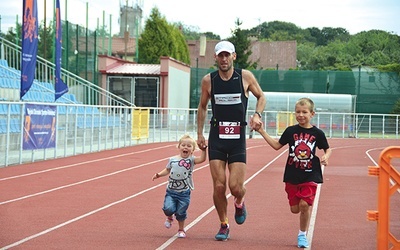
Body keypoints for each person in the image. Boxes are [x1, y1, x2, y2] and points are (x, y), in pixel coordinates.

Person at [196, 40, 266, 241]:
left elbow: (261, 97)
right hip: (217, 136)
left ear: (234, 56)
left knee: (235, 187)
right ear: (215, 58)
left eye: (228, 55)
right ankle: (224, 224)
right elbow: (202, 107)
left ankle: (240, 201)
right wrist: (200, 134)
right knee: (219, 185)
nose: (224, 59)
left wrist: (257, 115)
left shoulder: (244, 77)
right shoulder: (209, 81)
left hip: (237, 138)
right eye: (220, 55)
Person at [254, 97, 332, 248]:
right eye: (298, 112)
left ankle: (302, 235)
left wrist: (326, 156)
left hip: (310, 174)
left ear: (312, 114)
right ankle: (300, 219)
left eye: (304, 112)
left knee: (304, 205)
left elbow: (328, 148)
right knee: (295, 209)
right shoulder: (291, 131)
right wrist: (261, 131)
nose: (301, 115)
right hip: (292, 176)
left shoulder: (317, 133)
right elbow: (277, 146)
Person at [152, 135, 207, 238]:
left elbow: (202, 159)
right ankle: (169, 217)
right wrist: (158, 175)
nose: (185, 147)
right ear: (179, 147)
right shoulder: (172, 159)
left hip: (184, 193)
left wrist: (203, 150)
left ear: (193, 149)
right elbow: (167, 170)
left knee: (181, 212)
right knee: (168, 208)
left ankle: (181, 229)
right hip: (171, 191)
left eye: (189, 146)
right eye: (183, 145)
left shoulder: (191, 160)